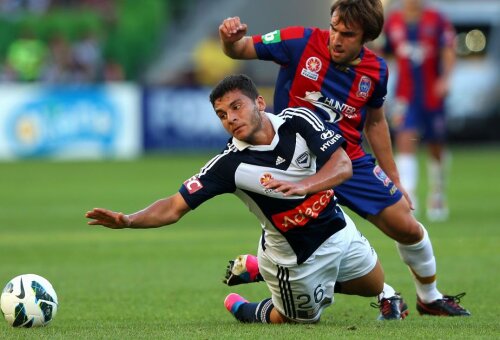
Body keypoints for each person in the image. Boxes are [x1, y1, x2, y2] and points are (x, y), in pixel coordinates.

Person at [218, 0, 469, 318]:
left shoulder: (376, 70)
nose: (336, 39)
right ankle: (264, 282)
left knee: (408, 227)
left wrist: (394, 179)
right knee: (304, 276)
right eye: (334, 29)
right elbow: (239, 49)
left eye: (347, 34)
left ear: (367, 36)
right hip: (296, 163)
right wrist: (230, 38)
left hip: (347, 160)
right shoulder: (299, 40)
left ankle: (429, 297)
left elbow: (376, 122)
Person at [86, 74, 386, 324]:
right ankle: (247, 308)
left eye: (236, 107)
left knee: (374, 285)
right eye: (222, 114)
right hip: (294, 259)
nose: (230, 118)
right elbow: (174, 206)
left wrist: (304, 186)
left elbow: (342, 165)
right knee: (295, 321)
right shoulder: (229, 165)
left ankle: (256, 270)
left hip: (337, 230)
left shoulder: (299, 120)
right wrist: (128, 220)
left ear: (259, 102)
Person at [383, 0, 455, 221]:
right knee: (405, 138)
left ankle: (438, 193)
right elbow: (384, 53)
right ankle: (409, 197)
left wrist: (445, 80)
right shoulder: (392, 21)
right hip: (405, 94)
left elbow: (448, 50)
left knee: (436, 144)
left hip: (432, 95)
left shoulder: (437, 19)